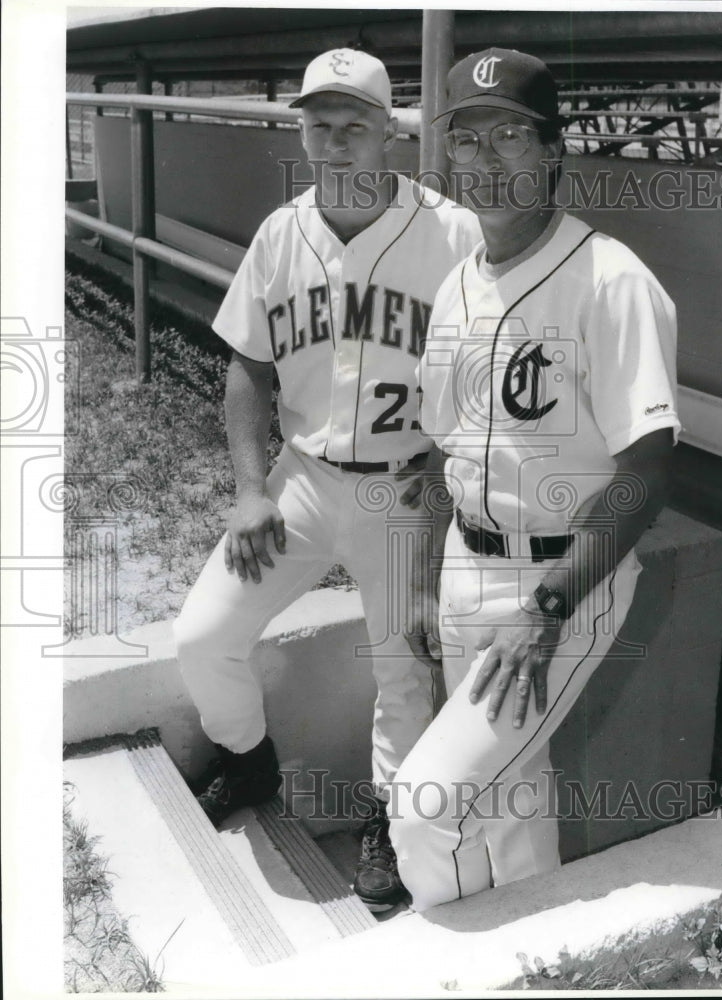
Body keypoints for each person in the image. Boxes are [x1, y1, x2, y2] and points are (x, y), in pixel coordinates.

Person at [172, 48, 481, 912]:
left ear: (393, 131)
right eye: (319, 124)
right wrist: (248, 488)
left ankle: (386, 819)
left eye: (356, 124)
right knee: (202, 636)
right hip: (302, 478)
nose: (336, 141)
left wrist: (453, 461)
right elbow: (247, 367)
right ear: (300, 131)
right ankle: (246, 759)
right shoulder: (283, 233)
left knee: (404, 668)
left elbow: (496, 366)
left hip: (405, 494)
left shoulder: (453, 234)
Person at [391, 47, 680, 912]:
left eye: (510, 136)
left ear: (553, 149)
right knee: (509, 796)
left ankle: (445, 966)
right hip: (465, 565)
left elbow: (646, 469)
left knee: (426, 806)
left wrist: (546, 611)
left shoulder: (612, 280)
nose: (487, 161)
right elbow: (437, 457)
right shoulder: (453, 289)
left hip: (563, 583)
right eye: (468, 141)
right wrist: (416, 585)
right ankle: (542, 960)